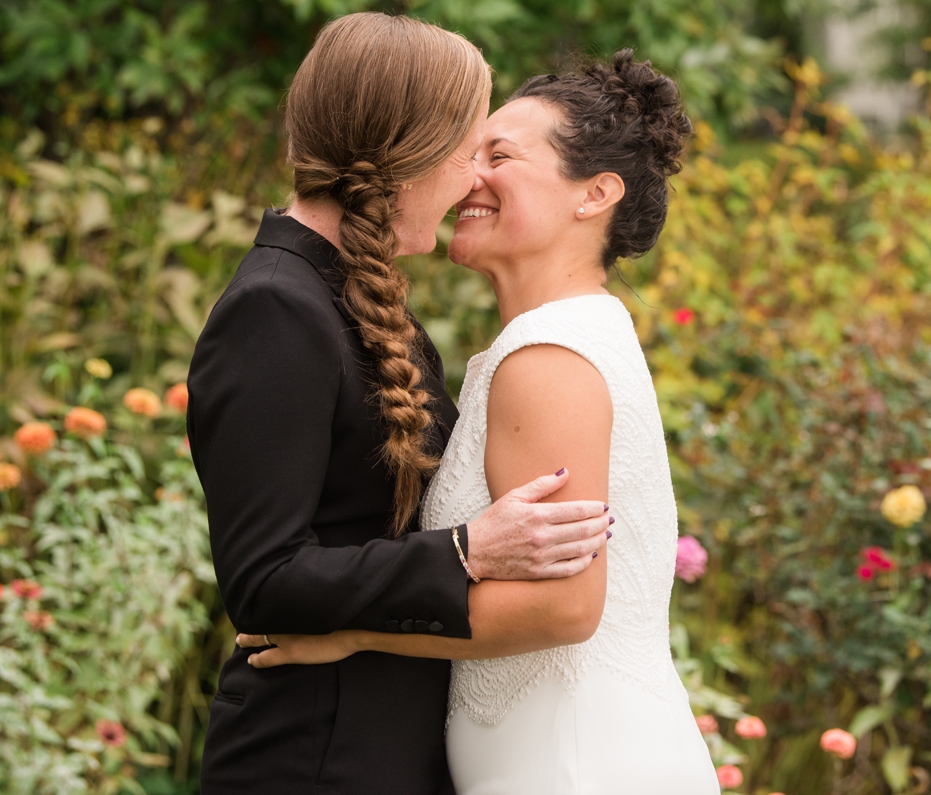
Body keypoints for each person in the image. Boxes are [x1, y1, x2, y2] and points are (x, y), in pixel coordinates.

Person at [237, 50, 720, 795]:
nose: (469, 175)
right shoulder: (555, 339)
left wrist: (352, 632)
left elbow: (564, 603)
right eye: (470, 152)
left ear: (594, 194)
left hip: (571, 764)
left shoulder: (549, 354)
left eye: (500, 155)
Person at [187, 13, 612, 795]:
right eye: (465, 152)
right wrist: (464, 551)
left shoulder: (353, 297)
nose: (470, 181)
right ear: (409, 156)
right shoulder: (275, 309)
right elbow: (263, 579)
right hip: (309, 759)